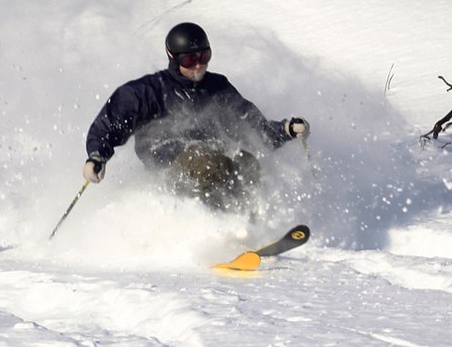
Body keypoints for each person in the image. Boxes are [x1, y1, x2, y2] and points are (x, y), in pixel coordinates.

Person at [83, 22, 310, 210]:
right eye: (189, 60)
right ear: (173, 58)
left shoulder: (217, 87)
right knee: (208, 163)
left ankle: (249, 224)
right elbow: (109, 125)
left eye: (204, 56)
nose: (199, 65)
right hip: (167, 162)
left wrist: (286, 130)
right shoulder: (147, 92)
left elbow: (251, 124)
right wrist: (97, 157)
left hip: (211, 151)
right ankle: (214, 225)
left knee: (247, 162)